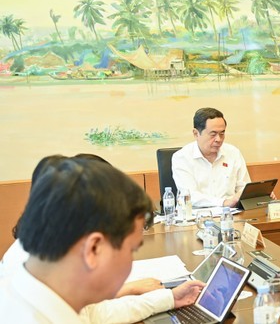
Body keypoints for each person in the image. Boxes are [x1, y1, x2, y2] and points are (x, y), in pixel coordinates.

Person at [0, 154, 204, 323]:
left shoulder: (43, 289)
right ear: (94, 249)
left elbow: (98, 314)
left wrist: (169, 298)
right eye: (131, 250)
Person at [172, 107, 252, 208]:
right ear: (196, 133)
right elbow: (190, 196)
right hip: (196, 217)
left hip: (231, 216)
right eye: (213, 134)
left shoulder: (233, 153)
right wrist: (224, 202)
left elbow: (243, 188)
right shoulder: (181, 158)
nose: (218, 139)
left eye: (222, 133)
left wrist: (256, 195)